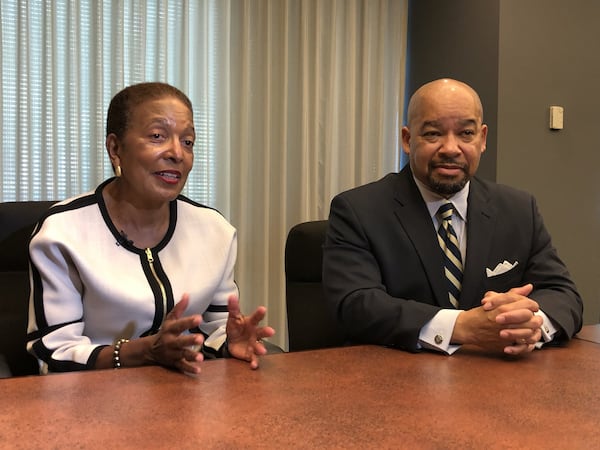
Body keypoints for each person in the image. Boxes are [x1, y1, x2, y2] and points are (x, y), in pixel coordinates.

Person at [322, 78, 583, 356]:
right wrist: (462, 327)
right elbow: (356, 304)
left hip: (498, 380)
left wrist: (530, 325)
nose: (450, 148)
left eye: (465, 134)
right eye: (433, 134)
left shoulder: (518, 209)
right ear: (408, 140)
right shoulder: (358, 210)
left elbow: (563, 294)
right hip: (397, 381)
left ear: (482, 139)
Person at [26, 82, 275, 374]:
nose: (177, 153)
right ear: (115, 149)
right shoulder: (62, 232)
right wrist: (141, 353)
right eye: (158, 136)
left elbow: (215, 328)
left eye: (188, 142)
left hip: (187, 398)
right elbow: (55, 351)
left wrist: (228, 341)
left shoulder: (214, 230)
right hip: (91, 400)